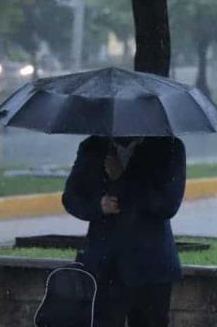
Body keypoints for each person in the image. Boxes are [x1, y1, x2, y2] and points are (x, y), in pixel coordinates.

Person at [62, 135, 186, 327]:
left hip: (150, 267)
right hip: (104, 267)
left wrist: (123, 178)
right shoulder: (93, 146)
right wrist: (98, 206)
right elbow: (71, 197)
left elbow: (168, 205)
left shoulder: (169, 147)